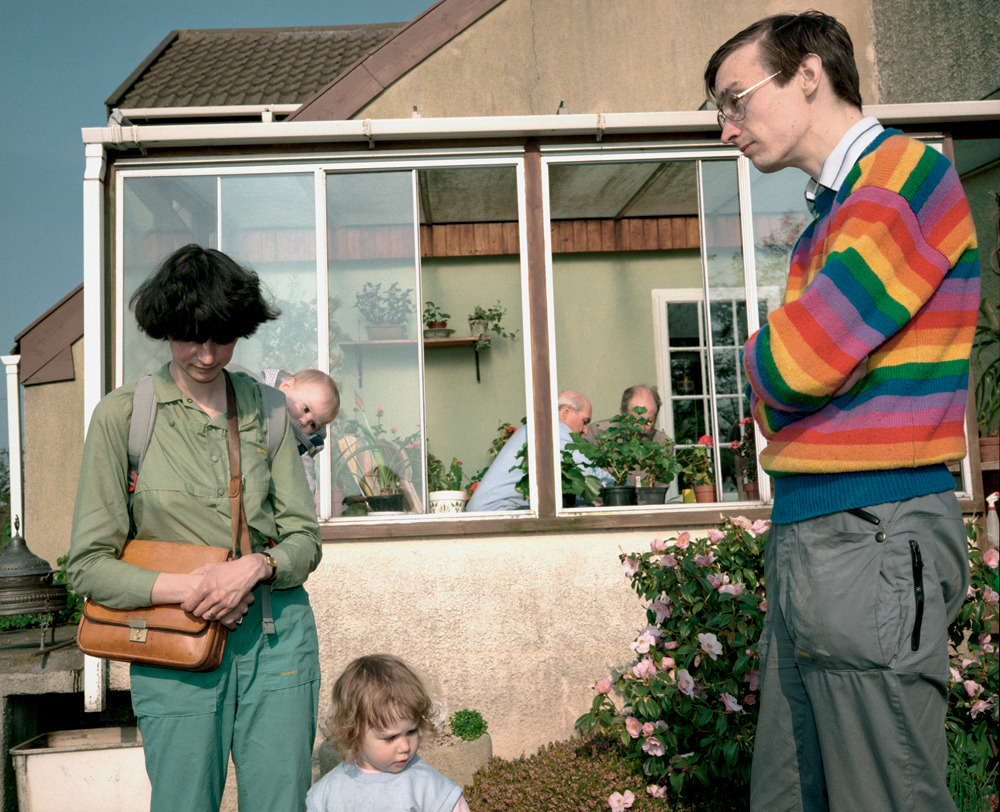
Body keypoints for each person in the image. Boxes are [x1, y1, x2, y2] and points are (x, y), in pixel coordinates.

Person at [705, 12, 979, 812]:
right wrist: (783, 373)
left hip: (872, 526)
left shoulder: (904, 176)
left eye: (735, 100)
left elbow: (796, 363)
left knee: (882, 795)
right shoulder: (833, 213)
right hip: (825, 531)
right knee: (792, 795)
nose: (728, 129)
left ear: (810, 74)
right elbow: (787, 393)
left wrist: (760, 357)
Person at [67, 244, 323, 812]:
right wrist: (196, 590)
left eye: (223, 338)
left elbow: (305, 539)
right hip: (170, 646)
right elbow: (87, 565)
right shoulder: (122, 417)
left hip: (277, 646)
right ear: (164, 329)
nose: (206, 355)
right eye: (190, 337)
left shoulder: (273, 410)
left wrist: (256, 567)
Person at [306, 654, 470, 812]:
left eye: (412, 731)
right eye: (390, 738)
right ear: (352, 734)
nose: (405, 746)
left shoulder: (430, 790)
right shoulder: (328, 794)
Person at [465, 390, 609, 511]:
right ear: (566, 412)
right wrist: (627, 492)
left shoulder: (539, 431)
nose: (585, 431)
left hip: (492, 511)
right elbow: (587, 473)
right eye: (585, 421)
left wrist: (587, 504)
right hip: (497, 512)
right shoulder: (551, 429)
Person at [259, 367, 340, 495]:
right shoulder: (256, 399)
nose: (304, 421)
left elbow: (307, 479)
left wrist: (307, 505)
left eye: (313, 424)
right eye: (306, 409)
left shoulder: (300, 444)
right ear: (286, 386)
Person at [586, 384, 673, 485]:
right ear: (622, 413)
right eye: (635, 421)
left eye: (649, 421)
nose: (641, 428)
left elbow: (658, 494)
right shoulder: (596, 434)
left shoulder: (662, 444)